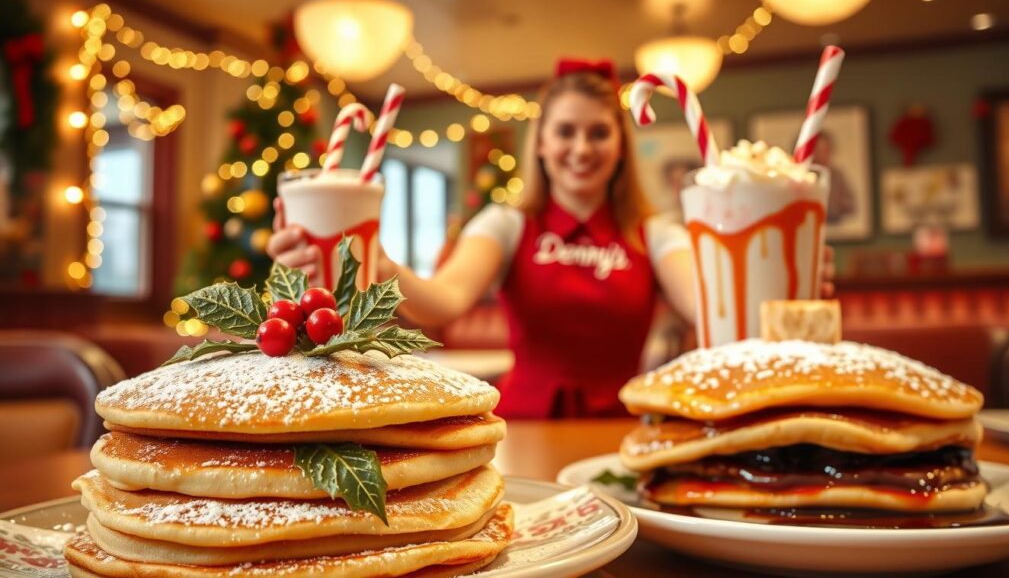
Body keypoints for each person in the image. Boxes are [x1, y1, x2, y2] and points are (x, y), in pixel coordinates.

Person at [268, 58, 835, 418]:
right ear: (540, 143)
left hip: (622, 434)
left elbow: (708, 307)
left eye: (598, 132)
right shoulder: (508, 223)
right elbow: (444, 299)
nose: (581, 149)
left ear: (620, 144)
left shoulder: (655, 232)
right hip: (520, 429)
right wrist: (376, 264)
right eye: (565, 131)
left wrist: (778, 286)